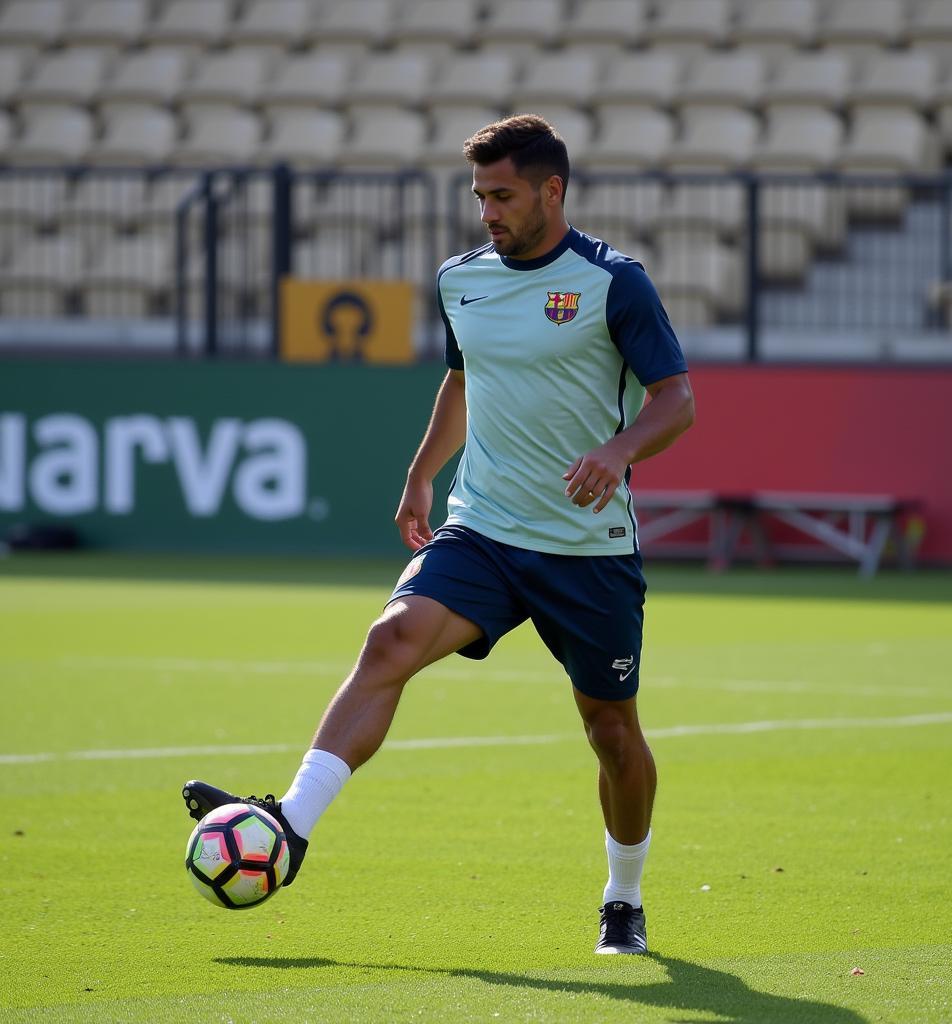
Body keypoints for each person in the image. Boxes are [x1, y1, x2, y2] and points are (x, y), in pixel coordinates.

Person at [183, 114, 695, 956]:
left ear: (551, 191)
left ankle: (623, 896)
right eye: (479, 195)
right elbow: (462, 381)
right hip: (484, 528)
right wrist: (423, 471)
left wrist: (618, 448)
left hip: (587, 548)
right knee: (390, 641)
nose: (487, 211)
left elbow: (677, 399)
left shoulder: (616, 283)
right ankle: (294, 824)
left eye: (503, 195)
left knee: (611, 732)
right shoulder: (463, 280)